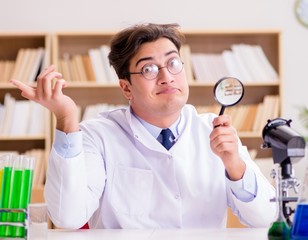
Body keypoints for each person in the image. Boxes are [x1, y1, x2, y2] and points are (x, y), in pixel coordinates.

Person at [11, 23, 276, 229]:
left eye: (173, 63)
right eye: (149, 69)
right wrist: (66, 119)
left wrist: (235, 166)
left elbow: (264, 217)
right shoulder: (97, 135)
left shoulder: (215, 130)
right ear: (126, 87)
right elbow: (68, 217)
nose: (166, 77)